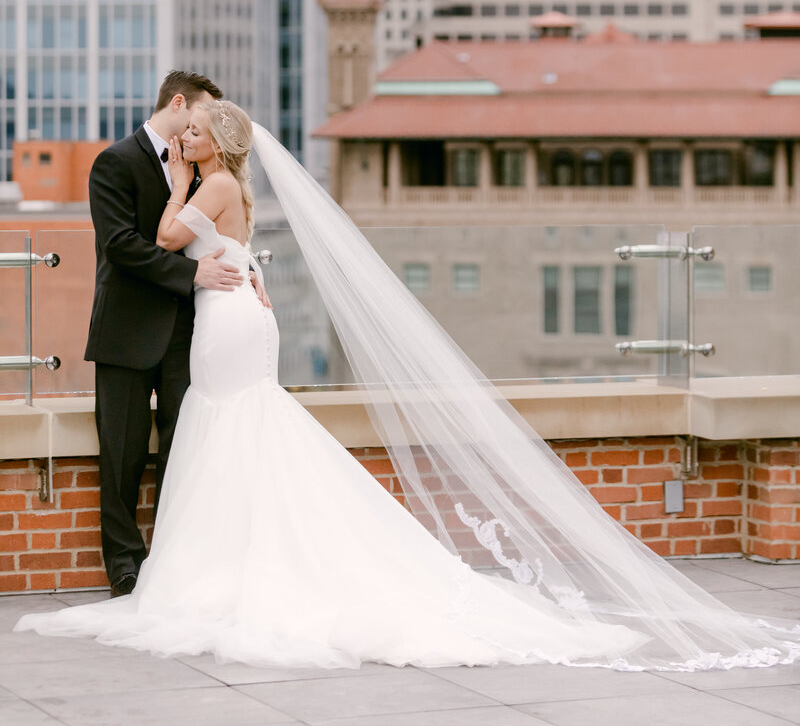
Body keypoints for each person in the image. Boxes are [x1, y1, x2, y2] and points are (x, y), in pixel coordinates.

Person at [17, 101, 800, 671]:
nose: (181, 140)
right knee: (239, 429)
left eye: (193, 133)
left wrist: (184, 181)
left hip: (227, 321)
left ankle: (234, 564)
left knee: (230, 426)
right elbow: (211, 251)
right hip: (234, 314)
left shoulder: (210, 185)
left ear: (214, 142)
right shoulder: (234, 188)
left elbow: (162, 237)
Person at [85, 71, 246, 597]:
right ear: (178, 104)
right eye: (198, 118)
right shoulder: (115, 161)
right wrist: (190, 274)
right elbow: (120, 246)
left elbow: (226, 237)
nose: (202, 131)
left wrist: (250, 278)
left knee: (183, 452)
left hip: (188, 334)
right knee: (123, 456)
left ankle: (173, 562)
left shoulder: (204, 169)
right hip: (126, 332)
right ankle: (126, 568)